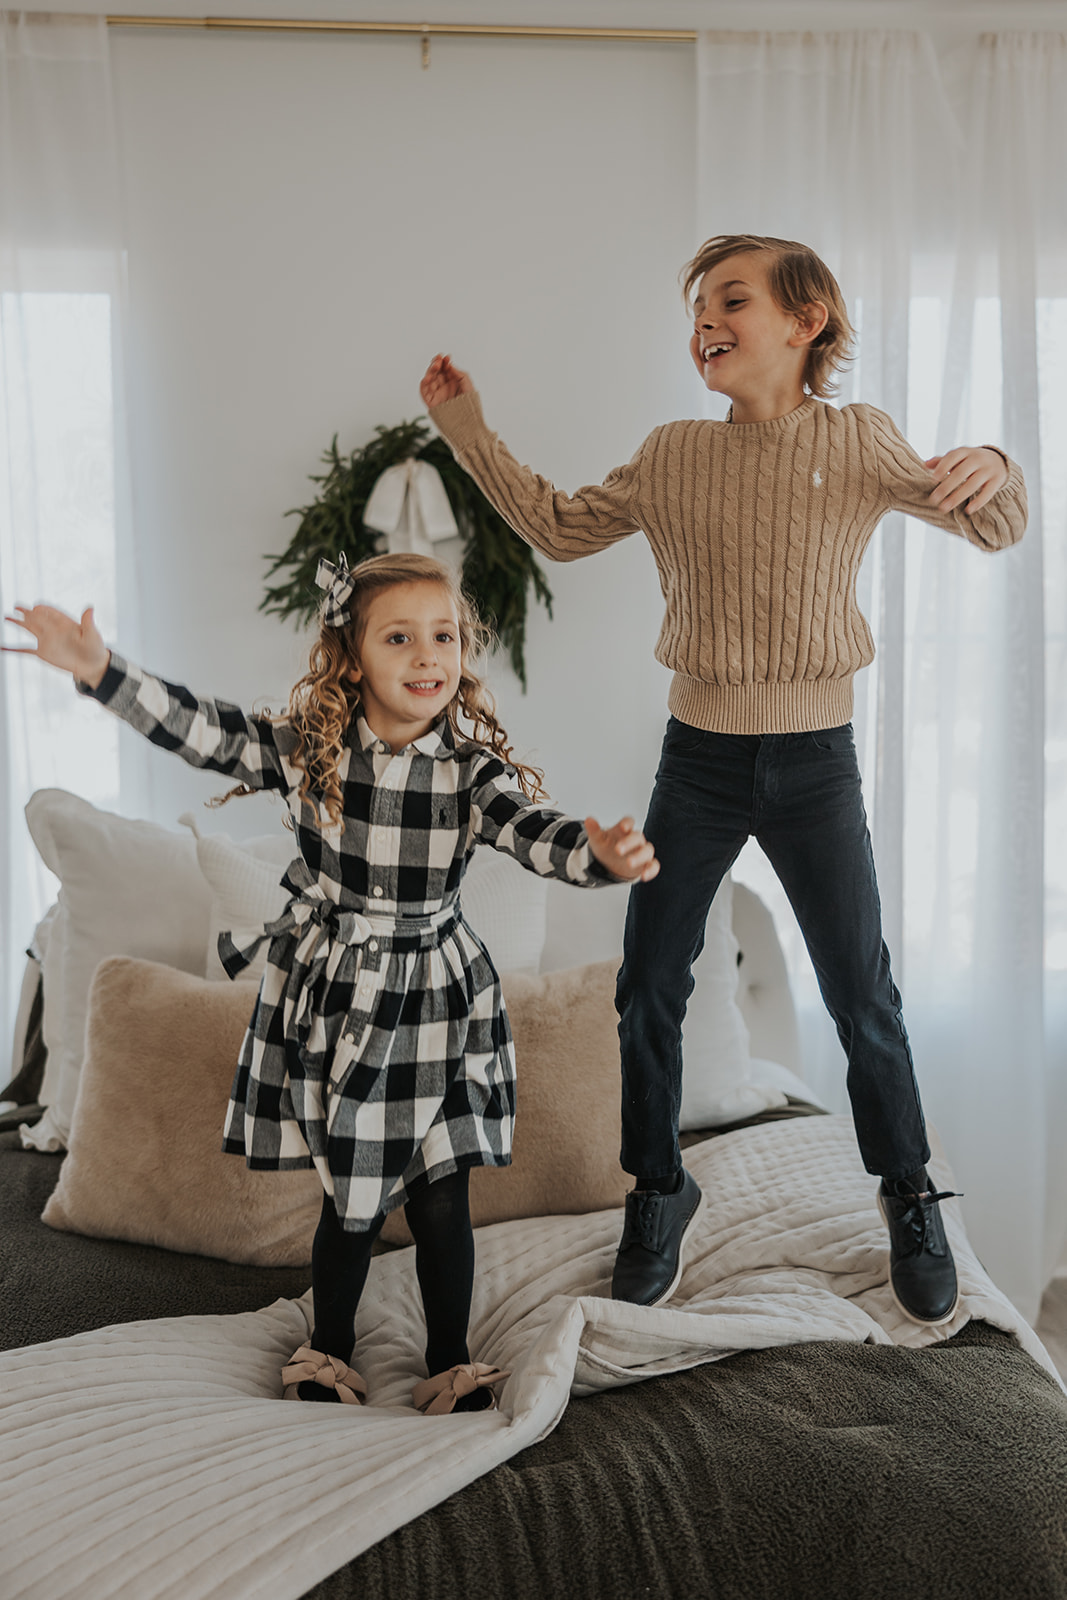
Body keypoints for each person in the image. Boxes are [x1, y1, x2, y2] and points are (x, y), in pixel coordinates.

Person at [420, 232, 1028, 1327]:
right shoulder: (671, 455)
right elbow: (557, 529)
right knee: (646, 982)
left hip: (815, 764)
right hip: (696, 763)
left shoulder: (856, 441)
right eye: (697, 304)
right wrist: (464, 428)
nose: (705, 319)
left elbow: (992, 525)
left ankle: (906, 1192)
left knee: (862, 997)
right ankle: (658, 1187)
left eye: (730, 300)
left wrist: (995, 461)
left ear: (805, 324)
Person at [5, 551, 659, 1413]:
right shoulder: (308, 749)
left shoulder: (470, 772)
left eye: (445, 635)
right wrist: (100, 669)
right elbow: (206, 730)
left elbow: (536, 832)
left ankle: (451, 1358)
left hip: (439, 999)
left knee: (440, 1199)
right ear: (351, 656)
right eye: (400, 637)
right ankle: (329, 1350)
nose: (429, 656)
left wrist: (596, 856)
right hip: (344, 998)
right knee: (351, 1198)